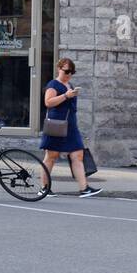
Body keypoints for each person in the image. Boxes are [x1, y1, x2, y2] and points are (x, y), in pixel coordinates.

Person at [40, 57, 100, 198]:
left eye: (72, 72)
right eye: (66, 71)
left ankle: (84, 188)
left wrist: (69, 93)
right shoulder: (53, 85)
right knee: (51, 156)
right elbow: (48, 102)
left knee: (77, 155)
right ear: (59, 69)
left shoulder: (70, 85)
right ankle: (44, 188)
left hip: (70, 125)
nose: (69, 74)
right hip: (56, 125)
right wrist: (66, 96)